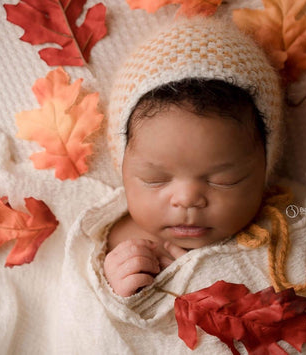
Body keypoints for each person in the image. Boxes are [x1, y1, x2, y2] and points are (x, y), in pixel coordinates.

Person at [103, 18, 284, 297]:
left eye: (225, 180)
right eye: (155, 179)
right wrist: (115, 288)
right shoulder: (113, 239)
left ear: (264, 169)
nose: (187, 199)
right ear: (123, 168)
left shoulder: (284, 223)